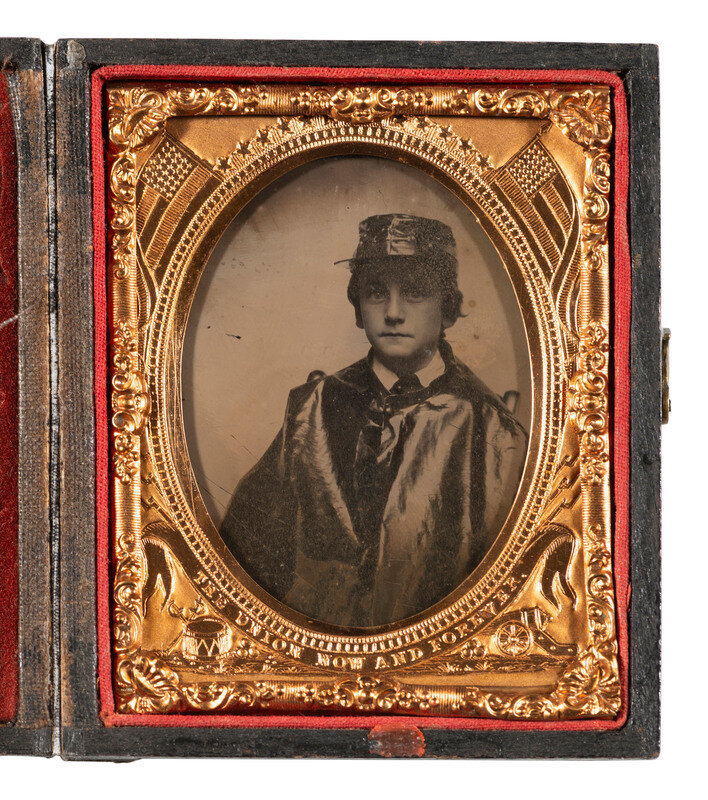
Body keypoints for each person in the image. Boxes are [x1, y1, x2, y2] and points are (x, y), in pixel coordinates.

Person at [220, 214, 527, 628]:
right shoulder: (313, 405)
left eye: (415, 292)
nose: (394, 313)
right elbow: (248, 544)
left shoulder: (490, 428)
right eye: (376, 293)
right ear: (358, 309)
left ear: (448, 310)